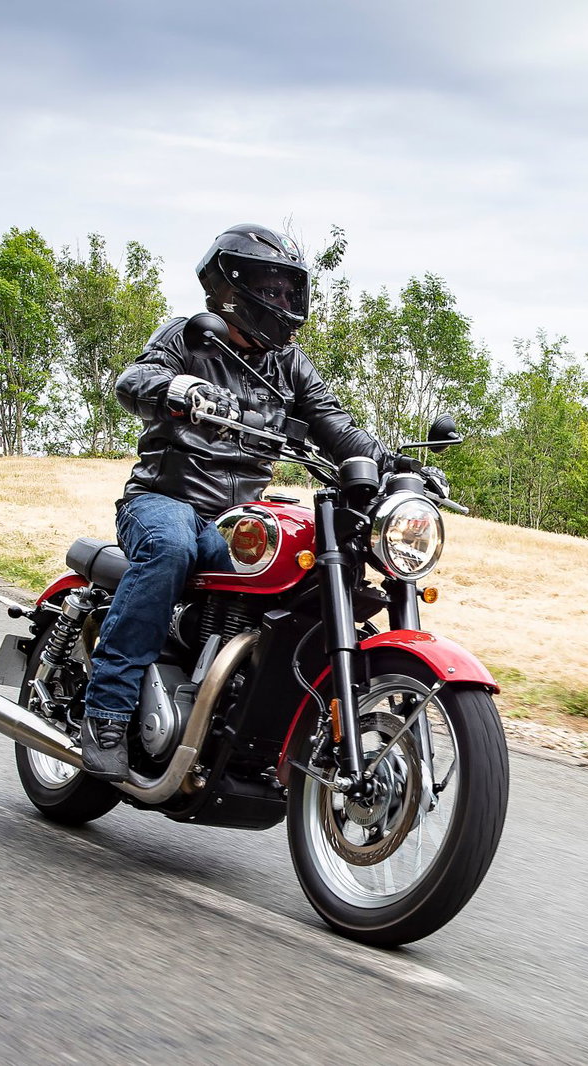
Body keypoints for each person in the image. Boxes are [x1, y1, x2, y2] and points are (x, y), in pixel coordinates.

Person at [79, 223, 391, 780]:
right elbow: (134, 380)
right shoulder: (190, 337)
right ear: (231, 287)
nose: (282, 302)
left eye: (289, 291)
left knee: (305, 576)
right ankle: (106, 711)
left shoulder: (290, 365)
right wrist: (178, 390)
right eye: (271, 289)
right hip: (165, 498)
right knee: (171, 549)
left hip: (236, 519)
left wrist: (398, 468)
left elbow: (339, 428)